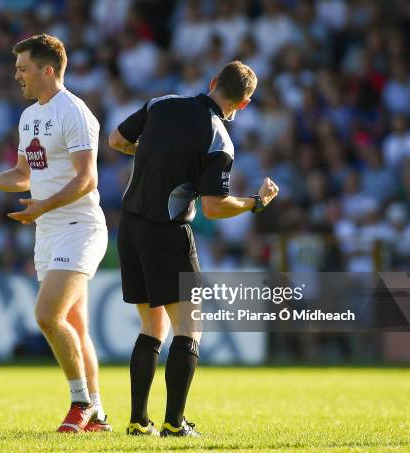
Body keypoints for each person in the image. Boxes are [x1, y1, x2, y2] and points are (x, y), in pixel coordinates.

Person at [109, 61, 279, 437]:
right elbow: (214, 207)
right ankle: (174, 423)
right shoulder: (219, 136)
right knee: (191, 324)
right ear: (245, 103)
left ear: (213, 81)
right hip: (167, 232)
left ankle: (138, 422)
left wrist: (154, 156)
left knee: (152, 325)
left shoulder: (161, 104)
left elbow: (117, 141)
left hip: (130, 227)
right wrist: (255, 202)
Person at [0, 34, 109, 433]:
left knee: (47, 316)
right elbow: (23, 177)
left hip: (79, 227)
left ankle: (80, 404)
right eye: (15, 69)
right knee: (75, 327)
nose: (17, 76)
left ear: (48, 70)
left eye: (23, 69)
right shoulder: (29, 117)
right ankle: (99, 414)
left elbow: (87, 178)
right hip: (47, 230)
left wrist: (44, 205)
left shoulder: (74, 112)